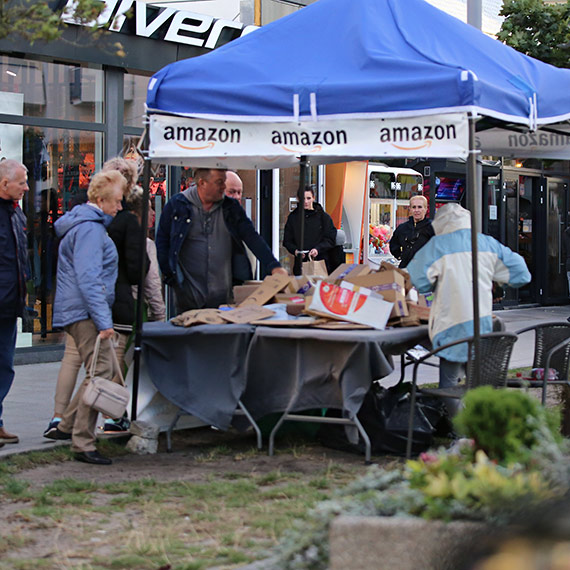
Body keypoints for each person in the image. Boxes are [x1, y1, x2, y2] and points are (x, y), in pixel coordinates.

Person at [407, 203, 531, 416]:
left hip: (450, 325)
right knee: (478, 383)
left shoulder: (437, 245)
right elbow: (522, 275)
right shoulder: (487, 243)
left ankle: (461, 431)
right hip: (482, 324)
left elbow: (418, 280)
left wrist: (437, 283)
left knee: (448, 385)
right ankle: (479, 426)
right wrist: (496, 282)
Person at [47, 170, 127, 465]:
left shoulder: (82, 224)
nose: (120, 208)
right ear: (102, 199)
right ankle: (83, 442)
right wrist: (104, 322)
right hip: (86, 311)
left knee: (96, 373)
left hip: (77, 309)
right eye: (117, 201)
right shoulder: (92, 230)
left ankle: (66, 427)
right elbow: (90, 278)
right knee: (100, 374)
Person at [156, 168, 287, 313]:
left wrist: (274, 266)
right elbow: (162, 242)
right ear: (202, 183)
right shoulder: (177, 205)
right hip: (188, 299)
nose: (223, 187)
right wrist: (171, 277)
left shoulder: (230, 208)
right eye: (219, 182)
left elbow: (251, 237)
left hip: (225, 298)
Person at [0, 160, 29, 446]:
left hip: (10, 304)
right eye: (21, 182)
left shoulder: (17, 213)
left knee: (5, 365)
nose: (26, 187)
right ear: (4, 183)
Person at [283, 185, 337, 276]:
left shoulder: (323, 217)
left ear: (313, 198)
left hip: (320, 262)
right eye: (303, 198)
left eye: (308, 198)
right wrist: (295, 251)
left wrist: (317, 249)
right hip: (300, 264)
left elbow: (330, 238)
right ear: (298, 199)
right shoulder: (293, 218)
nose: (306, 202)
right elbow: (287, 240)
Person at [389, 195, 434, 268]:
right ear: (410, 209)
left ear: (426, 209)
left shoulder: (433, 228)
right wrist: (400, 256)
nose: (416, 210)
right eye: (414, 207)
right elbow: (393, 245)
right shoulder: (402, 228)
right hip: (405, 269)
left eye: (420, 207)